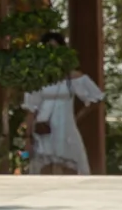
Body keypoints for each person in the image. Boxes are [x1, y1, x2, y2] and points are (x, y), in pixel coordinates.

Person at [23, 31, 104, 175]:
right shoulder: (37, 77)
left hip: (66, 126)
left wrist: (77, 117)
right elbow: (31, 110)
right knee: (43, 166)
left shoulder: (71, 77)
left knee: (69, 166)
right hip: (43, 126)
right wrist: (27, 138)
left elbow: (96, 98)